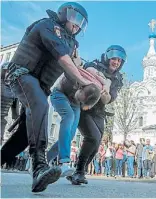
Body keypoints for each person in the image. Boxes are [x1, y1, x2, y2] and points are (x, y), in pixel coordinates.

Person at [0, 2, 90, 193]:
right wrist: (83, 82)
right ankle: (40, 167)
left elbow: (74, 66)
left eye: (82, 23)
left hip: (39, 86)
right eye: (75, 19)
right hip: (21, 74)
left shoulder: (72, 44)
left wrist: (90, 86)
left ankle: (3, 158)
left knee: (25, 133)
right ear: (64, 14)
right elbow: (65, 61)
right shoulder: (47, 25)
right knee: (40, 106)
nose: (78, 25)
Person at [66, 45, 126, 185]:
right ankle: (79, 172)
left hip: (99, 110)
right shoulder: (95, 64)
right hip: (84, 106)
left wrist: (104, 93)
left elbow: (109, 98)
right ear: (107, 57)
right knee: (93, 137)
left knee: (97, 142)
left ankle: (79, 171)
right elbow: (87, 70)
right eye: (114, 58)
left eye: (119, 60)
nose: (116, 62)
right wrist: (103, 83)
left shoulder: (117, 79)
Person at [46, 65, 109, 177]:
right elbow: (80, 66)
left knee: (71, 133)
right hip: (59, 94)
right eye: (80, 97)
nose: (80, 99)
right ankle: (64, 161)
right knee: (69, 117)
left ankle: (48, 157)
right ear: (80, 87)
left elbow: (107, 81)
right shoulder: (74, 77)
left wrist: (106, 84)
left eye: (82, 100)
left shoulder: (96, 89)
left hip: (75, 103)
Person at [1, 62, 20, 145]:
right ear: (4, 72)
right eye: (7, 71)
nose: (9, 74)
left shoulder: (15, 90)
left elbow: (15, 114)